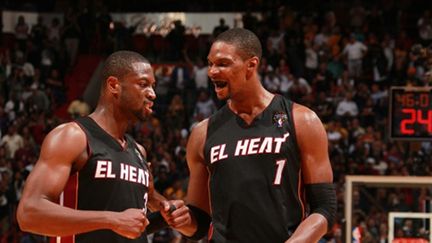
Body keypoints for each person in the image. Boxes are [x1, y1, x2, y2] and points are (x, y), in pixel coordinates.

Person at [171, 28, 336, 242]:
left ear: (251, 65)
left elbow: (325, 208)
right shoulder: (202, 133)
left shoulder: (302, 120)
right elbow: (200, 225)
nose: (212, 71)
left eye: (222, 63)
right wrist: (180, 219)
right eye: (210, 63)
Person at [16, 51, 191, 242]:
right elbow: (29, 213)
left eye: (153, 86)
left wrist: (162, 207)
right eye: (143, 84)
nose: (153, 94)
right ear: (114, 85)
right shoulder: (73, 137)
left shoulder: (138, 151)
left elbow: (129, 225)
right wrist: (110, 219)